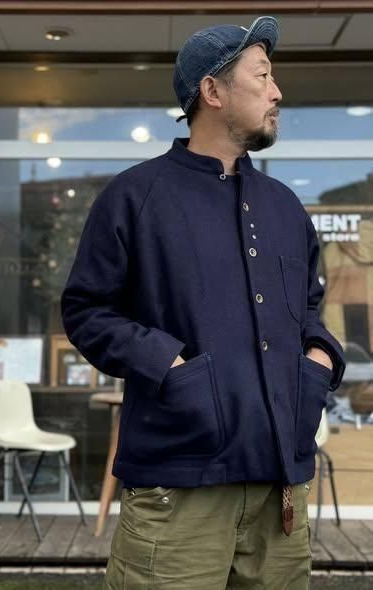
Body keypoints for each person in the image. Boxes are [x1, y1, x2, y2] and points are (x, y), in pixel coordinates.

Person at [61, 15, 346, 589]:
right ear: (212, 91)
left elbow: (310, 309)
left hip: (281, 489)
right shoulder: (135, 196)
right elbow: (87, 311)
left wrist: (318, 362)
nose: (277, 91)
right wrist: (170, 366)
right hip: (177, 489)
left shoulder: (285, 206)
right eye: (262, 75)